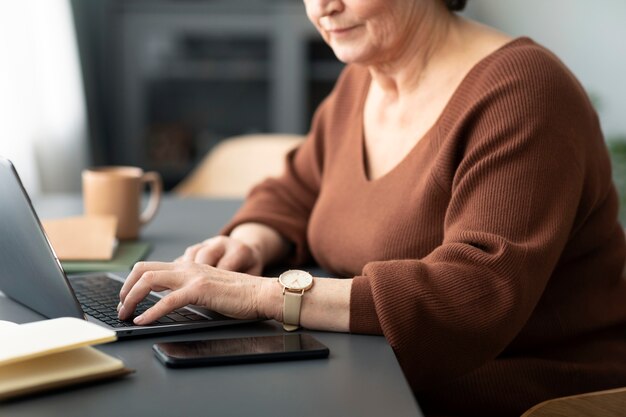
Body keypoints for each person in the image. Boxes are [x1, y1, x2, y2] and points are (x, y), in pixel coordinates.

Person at [118, 0, 626, 415]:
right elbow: (297, 187)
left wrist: (270, 295)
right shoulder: (363, 78)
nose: (323, 9)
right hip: (370, 370)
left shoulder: (525, 92)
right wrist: (248, 242)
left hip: (512, 395)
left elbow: (473, 294)